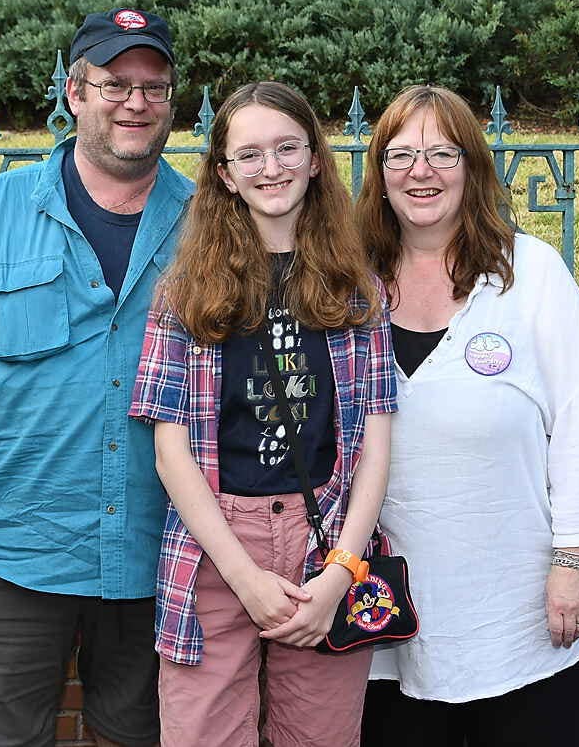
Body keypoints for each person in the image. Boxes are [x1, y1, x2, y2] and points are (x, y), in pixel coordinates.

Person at [0, 8, 193, 747]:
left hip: (167, 552)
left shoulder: (212, 217)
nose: (136, 102)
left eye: (155, 87)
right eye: (115, 83)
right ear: (74, 92)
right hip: (16, 552)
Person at [355, 85, 579, 746]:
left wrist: (574, 560)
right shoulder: (348, 280)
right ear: (379, 173)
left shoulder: (529, 272)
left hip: (521, 610)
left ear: (472, 168)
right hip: (382, 614)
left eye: (441, 153)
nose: (420, 171)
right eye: (400, 155)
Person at [129, 81, 396, 747]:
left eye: (285, 148)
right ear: (223, 174)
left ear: (313, 159)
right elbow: (171, 451)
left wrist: (340, 572)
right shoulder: (184, 294)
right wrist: (244, 578)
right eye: (248, 155)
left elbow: (375, 445)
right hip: (216, 543)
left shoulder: (357, 290)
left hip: (326, 539)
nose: (269, 167)